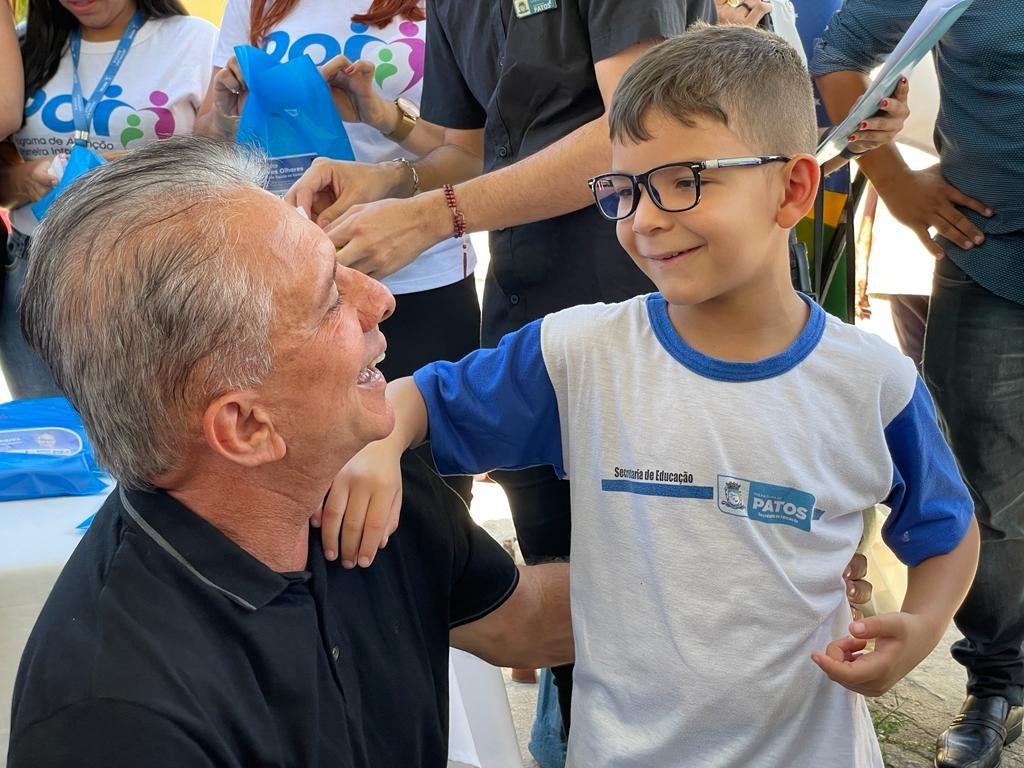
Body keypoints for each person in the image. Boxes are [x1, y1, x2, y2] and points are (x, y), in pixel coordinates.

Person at [322, 26, 980, 766]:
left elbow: (948, 532)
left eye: (682, 180)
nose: (644, 219)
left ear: (792, 188)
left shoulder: (873, 383)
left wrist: (922, 625)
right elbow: (423, 398)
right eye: (625, 188)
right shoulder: (578, 354)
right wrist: (380, 441)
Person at [6, 136, 572, 767]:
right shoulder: (120, 720)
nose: (380, 299)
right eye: (331, 298)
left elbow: (528, 619)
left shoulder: (354, 477)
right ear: (247, 427)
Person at [811, 4, 1024, 766]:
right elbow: (838, 54)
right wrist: (892, 181)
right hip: (992, 255)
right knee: (982, 492)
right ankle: (998, 682)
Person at [195, 0, 481, 517]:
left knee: (432, 498)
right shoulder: (252, 5)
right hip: (296, 289)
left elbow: (476, 153)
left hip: (422, 275)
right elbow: (208, 146)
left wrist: (387, 122)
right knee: (308, 493)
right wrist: (224, 110)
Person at [0, 0, 216, 399]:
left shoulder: (195, 42)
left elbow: (226, 164)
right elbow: (3, 182)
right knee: (53, 443)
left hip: (158, 267)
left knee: (154, 443)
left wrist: (105, 166)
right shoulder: (22, 46)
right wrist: (33, 177)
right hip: (37, 268)